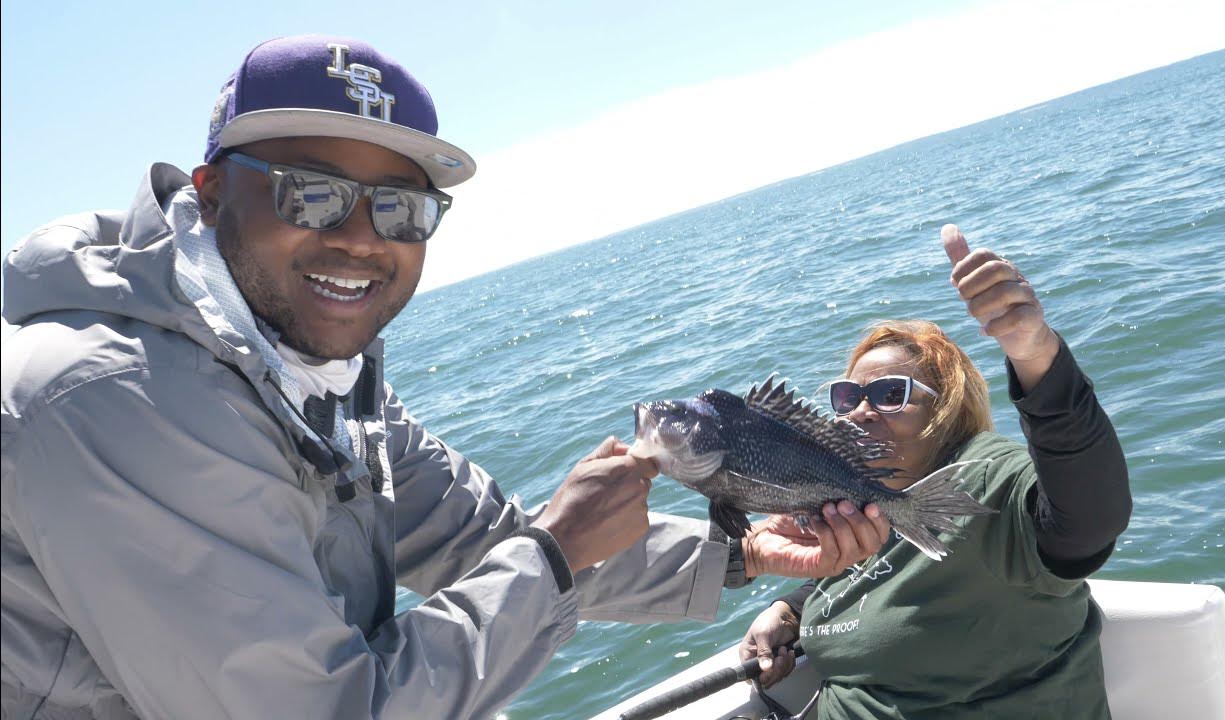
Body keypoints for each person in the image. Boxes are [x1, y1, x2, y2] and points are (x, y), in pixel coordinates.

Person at [0, 35, 872, 719]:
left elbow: (482, 535)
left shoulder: (312, 371)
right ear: (214, 189)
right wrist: (558, 551)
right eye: (311, 193)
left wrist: (742, 556)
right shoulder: (111, 399)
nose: (360, 238)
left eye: (402, 209)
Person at [737, 225, 1132, 719]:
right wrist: (791, 610)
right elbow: (869, 569)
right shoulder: (862, 499)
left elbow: (1089, 518)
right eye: (847, 397)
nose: (860, 410)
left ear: (945, 409)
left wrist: (1036, 357)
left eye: (888, 394)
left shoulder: (984, 478)